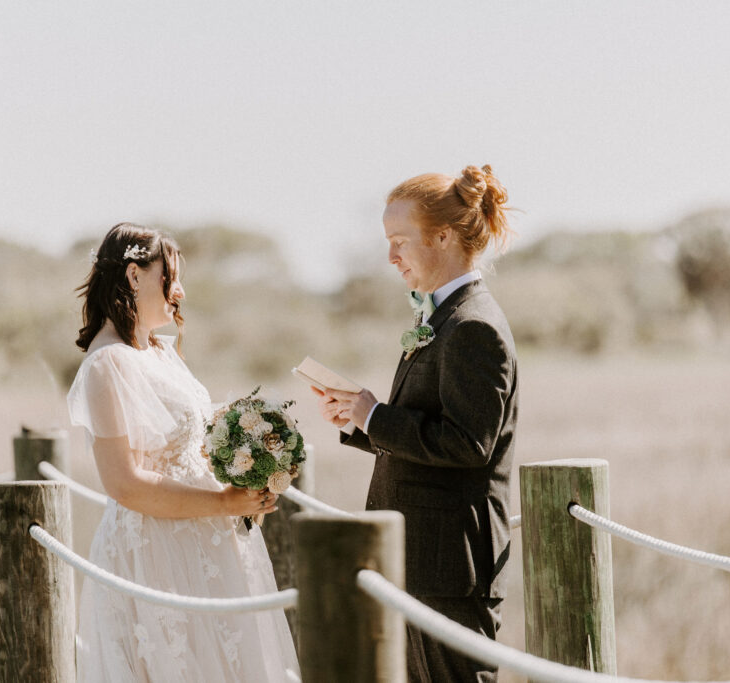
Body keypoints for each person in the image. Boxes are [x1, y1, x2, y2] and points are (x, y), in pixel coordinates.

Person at [67, 223, 299, 682]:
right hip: (156, 552)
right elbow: (124, 483)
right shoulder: (107, 365)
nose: (180, 290)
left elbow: (192, 440)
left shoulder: (159, 352)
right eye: (169, 276)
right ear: (134, 277)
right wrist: (221, 502)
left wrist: (250, 456)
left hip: (208, 543)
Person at [313, 166, 518, 683]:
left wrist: (376, 415)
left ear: (444, 237)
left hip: (449, 565)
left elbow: (470, 444)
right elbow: (435, 428)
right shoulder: (444, 318)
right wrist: (362, 421)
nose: (390, 257)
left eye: (399, 241)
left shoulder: (473, 326)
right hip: (420, 561)